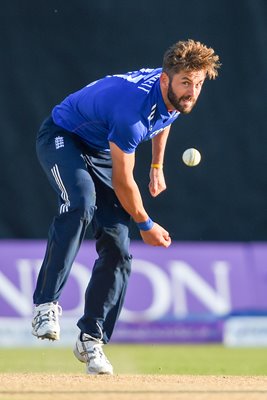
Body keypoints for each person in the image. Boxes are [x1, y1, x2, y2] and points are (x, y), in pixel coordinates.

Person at [32, 39, 220, 375]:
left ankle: (91, 338)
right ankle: (46, 304)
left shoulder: (173, 94)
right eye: (186, 83)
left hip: (103, 147)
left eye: (199, 83)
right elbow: (122, 182)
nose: (192, 91)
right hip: (64, 136)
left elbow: (166, 118)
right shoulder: (131, 112)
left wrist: (157, 166)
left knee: (118, 247)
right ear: (166, 80)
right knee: (81, 204)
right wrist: (146, 224)